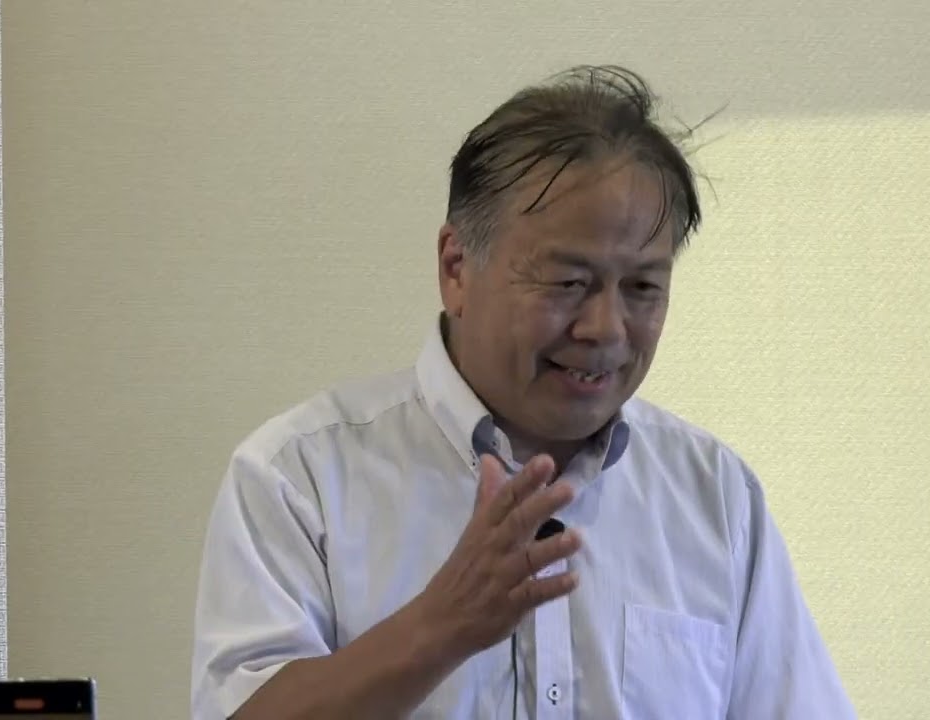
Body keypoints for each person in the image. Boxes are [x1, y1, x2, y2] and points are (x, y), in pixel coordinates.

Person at [190, 65, 855, 719]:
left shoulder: (715, 496)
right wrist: (439, 626)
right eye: (568, 283)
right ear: (457, 268)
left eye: (643, 288)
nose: (606, 328)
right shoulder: (298, 478)